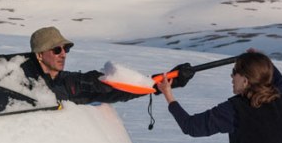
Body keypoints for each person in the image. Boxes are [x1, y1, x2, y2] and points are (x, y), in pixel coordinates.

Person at [22, 26, 193, 104]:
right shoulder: (19, 82)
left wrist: (165, 82)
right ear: (39, 55)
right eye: (57, 50)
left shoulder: (69, 83)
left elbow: (114, 89)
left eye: (65, 48)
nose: (64, 54)